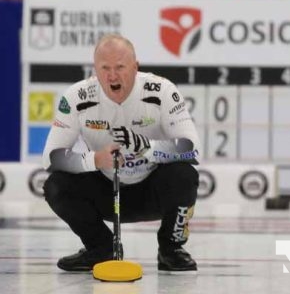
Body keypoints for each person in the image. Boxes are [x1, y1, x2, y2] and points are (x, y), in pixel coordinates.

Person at [42, 34, 201, 274]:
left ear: (135, 68)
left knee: (184, 175)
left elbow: (192, 148)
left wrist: (147, 147)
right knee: (56, 185)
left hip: (152, 189)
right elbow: (51, 157)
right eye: (105, 68)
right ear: (95, 69)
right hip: (106, 188)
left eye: (120, 67)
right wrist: (95, 160)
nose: (112, 76)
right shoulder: (76, 97)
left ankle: (171, 249)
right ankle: (101, 248)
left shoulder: (162, 91)